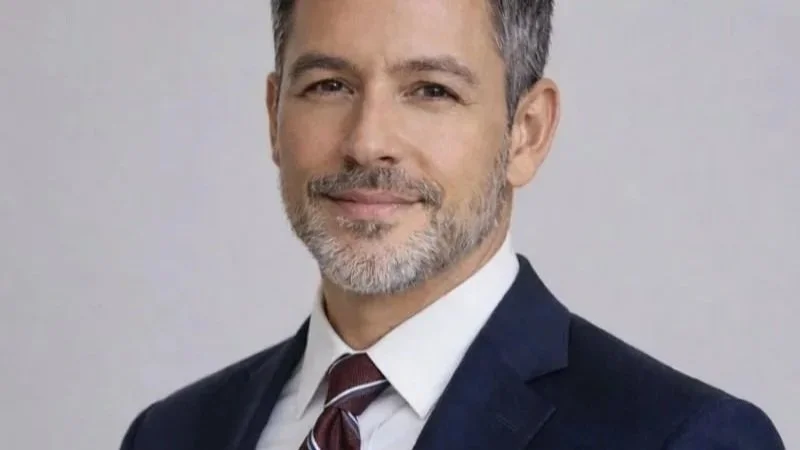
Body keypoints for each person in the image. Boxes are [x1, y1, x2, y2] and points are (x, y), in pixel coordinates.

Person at [120, 0, 786, 448]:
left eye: (431, 91)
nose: (367, 141)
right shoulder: (171, 434)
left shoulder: (684, 437)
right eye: (328, 85)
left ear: (526, 132)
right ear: (274, 115)